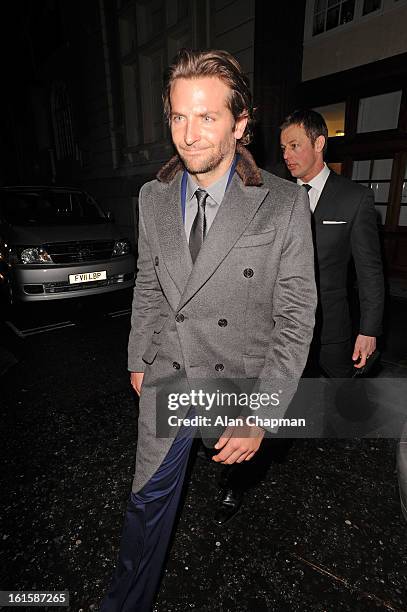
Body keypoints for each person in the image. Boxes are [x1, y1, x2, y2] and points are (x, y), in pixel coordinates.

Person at [100, 49, 317, 612]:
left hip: (234, 380)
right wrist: (139, 357)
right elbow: (148, 285)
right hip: (170, 373)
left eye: (207, 117)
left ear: (240, 124)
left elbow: (295, 319)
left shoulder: (284, 205)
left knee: (233, 474)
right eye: (177, 117)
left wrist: (263, 415)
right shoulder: (152, 199)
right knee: (145, 503)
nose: (188, 135)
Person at [280, 109, 384, 381]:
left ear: (319, 144)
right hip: (282, 330)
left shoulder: (355, 198)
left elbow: (370, 272)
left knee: (341, 406)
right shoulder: (277, 197)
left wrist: (369, 331)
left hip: (332, 332)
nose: (286, 156)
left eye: (294, 146)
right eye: (283, 148)